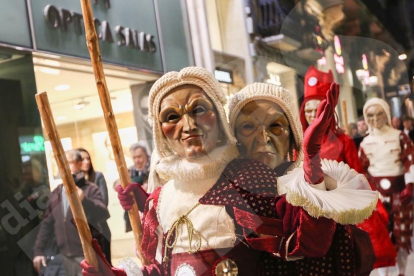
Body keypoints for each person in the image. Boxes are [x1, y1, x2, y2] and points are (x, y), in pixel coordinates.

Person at [82, 67, 377, 276]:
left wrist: (311, 165)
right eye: (172, 116)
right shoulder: (162, 197)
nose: (188, 126)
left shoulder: (248, 183)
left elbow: (303, 245)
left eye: (198, 110)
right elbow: (162, 266)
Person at [228, 82, 377, 275]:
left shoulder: (297, 181)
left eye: (275, 126)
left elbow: (314, 242)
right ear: (235, 137)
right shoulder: (229, 188)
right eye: (249, 126)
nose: (263, 138)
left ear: (292, 136)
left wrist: (312, 167)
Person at [300, 66, 396, 270]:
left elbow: (358, 176)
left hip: (340, 211)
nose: (310, 115)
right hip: (309, 213)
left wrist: (373, 205)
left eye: (315, 109)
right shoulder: (297, 141)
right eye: (307, 109)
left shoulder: (342, 140)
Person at [359, 98, 414, 276]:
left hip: (400, 192)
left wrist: (410, 184)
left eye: (379, 113)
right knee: (380, 237)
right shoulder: (365, 143)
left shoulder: (400, 136)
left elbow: (410, 160)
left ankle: (402, 272)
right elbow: (361, 171)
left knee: (403, 236)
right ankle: (385, 274)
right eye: (370, 115)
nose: (375, 118)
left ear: (387, 114)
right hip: (378, 198)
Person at [33, 150, 110, 276]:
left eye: (68, 163)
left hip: (87, 256)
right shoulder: (57, 192)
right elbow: (46, 224)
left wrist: (85, 200)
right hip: (64, 256)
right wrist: (38, 251)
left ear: (79, 165)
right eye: (61, 164)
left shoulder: (90, 189)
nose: (63, 168)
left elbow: (103, 213)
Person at [78, 148, 112, 265]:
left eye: (88, 158)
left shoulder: (97, 176)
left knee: (106, 264)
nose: (86, 162)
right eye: (82, 159)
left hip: (100, 227)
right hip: (83, 228)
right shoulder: (74, 182)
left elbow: (103, 203)